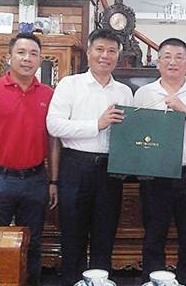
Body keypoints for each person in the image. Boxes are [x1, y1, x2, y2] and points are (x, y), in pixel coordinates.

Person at [0, 33, 59, 286]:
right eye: (21, 52)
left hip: (35, 180)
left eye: (33, 54)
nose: (27, 58)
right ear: (9, 57)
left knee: (32, 244)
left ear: (40, 60)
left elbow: (54, 141)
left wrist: (53, 181)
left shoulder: (49, 95)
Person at [46, 28, 134, 286]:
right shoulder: (69, 85)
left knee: (104, 236)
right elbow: (54, 125)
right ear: (89, 52)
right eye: (100, 49)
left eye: (111, 51)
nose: (105, 55)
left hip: (111, 170)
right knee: (72, 235)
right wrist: (97, 124)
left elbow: (129, 135)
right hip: (76, 166)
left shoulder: (124, 92)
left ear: (118, 56)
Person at [134, 38, 186, 286]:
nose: (173, 62)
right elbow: (136, 136)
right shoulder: (144, 94)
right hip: (155, 176)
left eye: (179, 57)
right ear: (158, 62)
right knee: (153, 238)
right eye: (167, 57)